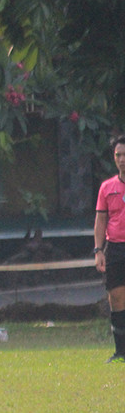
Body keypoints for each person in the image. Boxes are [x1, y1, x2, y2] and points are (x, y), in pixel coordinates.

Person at [94, 135, 125, 362]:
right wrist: (98, 251)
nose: (122, 159)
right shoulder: (107, 187)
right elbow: (100, 221)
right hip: (115, 249)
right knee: (116, 299)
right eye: (118, 155)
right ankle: (120, 351)